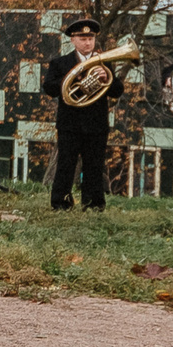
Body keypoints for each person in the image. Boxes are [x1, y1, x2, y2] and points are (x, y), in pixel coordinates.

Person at [42, 18, 110, 212]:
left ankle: (94, 204)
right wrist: (70, 79)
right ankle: (61, 203)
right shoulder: (60, 63)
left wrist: (106, 78)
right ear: (72, 40)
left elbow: (117, 90)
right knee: (66, 164)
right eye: (82, 38)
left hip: (97, 123)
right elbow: (49, 88)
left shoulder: (103, 63)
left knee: (94, 166)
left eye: (90, 38)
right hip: (70, 124)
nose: (87, 42)